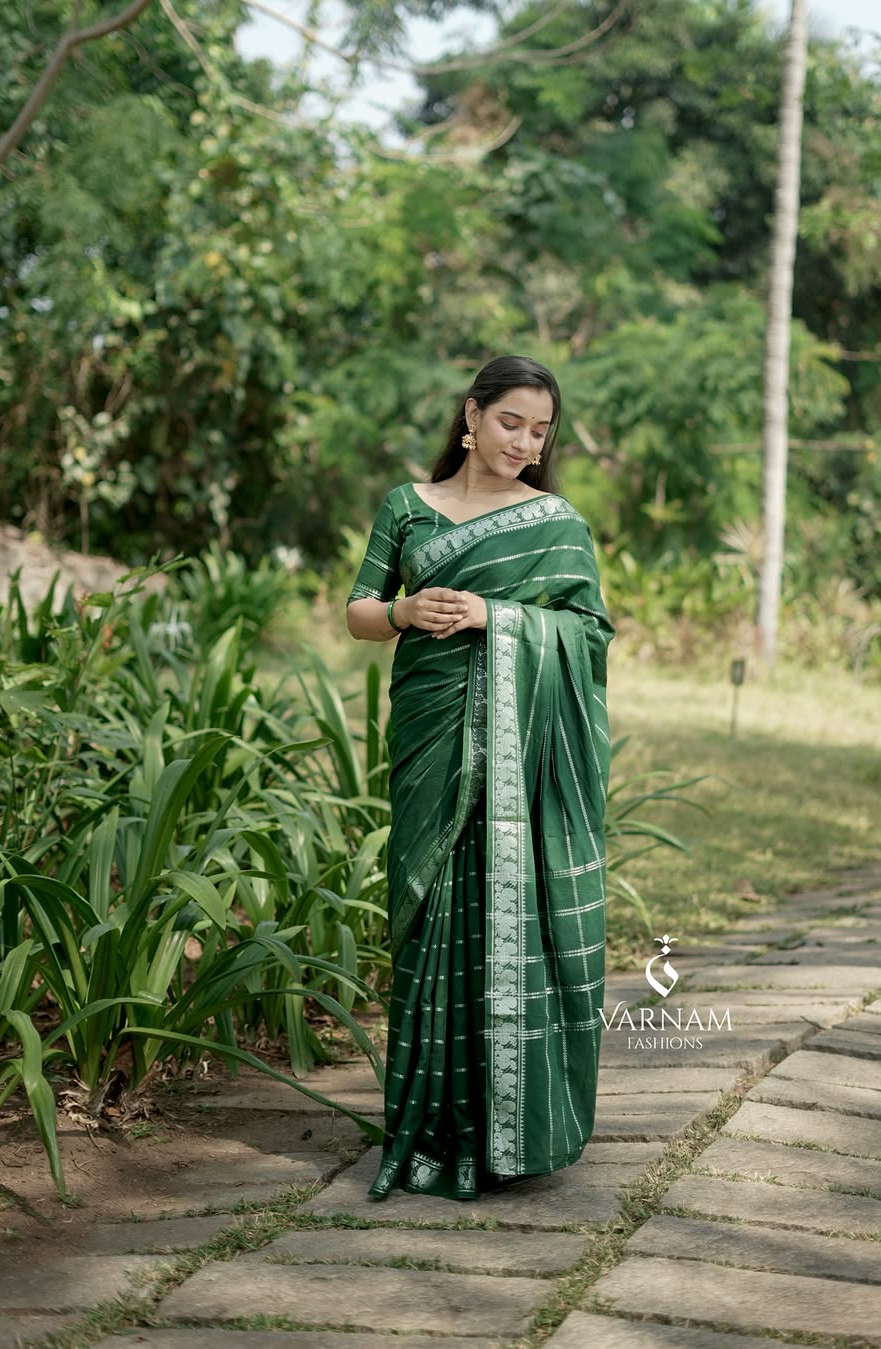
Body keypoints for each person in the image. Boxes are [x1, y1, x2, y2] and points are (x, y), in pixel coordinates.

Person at [345, 354, 614, 1201]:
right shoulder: (406, 507)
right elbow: (357, 610)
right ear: (472, 413)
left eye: (541, 430)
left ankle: (506, 1132)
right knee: (427, 918)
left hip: (515, 756)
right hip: (428, 736)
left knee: (506, 911)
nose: (527, 443)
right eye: (512, 423)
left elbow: (589, 634)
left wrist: (499, 616)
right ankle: (429, 1128)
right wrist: (403, 611)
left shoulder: (557, 522)